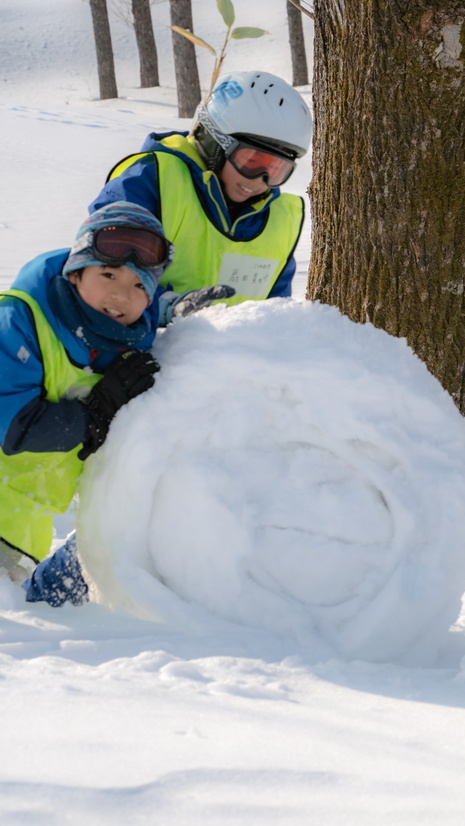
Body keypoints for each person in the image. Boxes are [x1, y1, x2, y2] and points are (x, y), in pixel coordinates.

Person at [0, 202, 170, 605]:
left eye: (138, 286)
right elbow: (10, 423)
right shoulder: (19, 320)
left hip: (21, 527)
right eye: (108, 274)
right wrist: (97, 413)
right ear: (75, 273)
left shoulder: (125, 335)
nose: (119, 295)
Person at [91, 70, 310, 308]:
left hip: (241, 345)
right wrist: (165, 310)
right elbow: (100, 275)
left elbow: (275, 310)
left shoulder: (278, 220)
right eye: (251, 162)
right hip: (153, 342)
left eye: (276, 170)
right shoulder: (149, 181)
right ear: (212, 140)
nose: (260, 180)